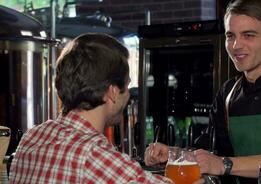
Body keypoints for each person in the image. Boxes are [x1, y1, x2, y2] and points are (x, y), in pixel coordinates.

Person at [145, 0, 261, 184]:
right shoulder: (228, 92)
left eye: (248, 35)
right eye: (231, 36)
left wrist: (224, 164)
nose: (236, 45)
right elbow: (211, 149)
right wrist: (173, 153)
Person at [9, 33, 172, 183]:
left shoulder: (33, 137)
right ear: (113, 92)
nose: (128, 95)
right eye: (127, 86)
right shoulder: (92, 154)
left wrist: (173, 155)